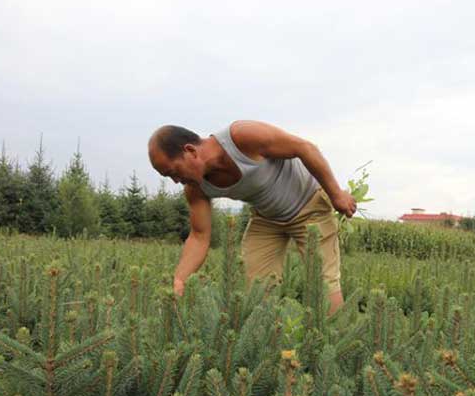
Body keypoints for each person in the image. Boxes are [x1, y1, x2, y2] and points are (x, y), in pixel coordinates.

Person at [147, 120, 357, 315]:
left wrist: (336, 194)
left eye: (173, 172)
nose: (176, 181)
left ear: (190, 151)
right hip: (267, 219)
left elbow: (304, 148)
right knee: (256, 290)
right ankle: (270, 347)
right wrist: (179, 280)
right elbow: (199, 236)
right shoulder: (196, 189)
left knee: (323, 284)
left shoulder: (241, 137)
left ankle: (339, 343)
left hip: (310, 207)